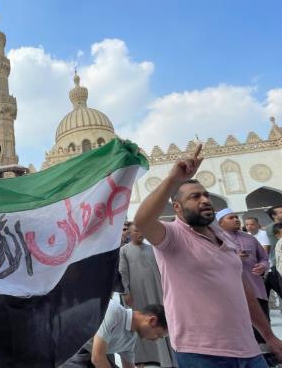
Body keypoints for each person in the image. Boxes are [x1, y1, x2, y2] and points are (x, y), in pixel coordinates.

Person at [134, 144, 282, 367]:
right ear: (177, 207)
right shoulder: (172, 236)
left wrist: (268, 335)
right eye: (194, 196)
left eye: (205, 195)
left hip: (247, 349)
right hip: (201, 352)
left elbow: (243, 291)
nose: (204, 199)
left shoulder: (225, 238)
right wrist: (173, 180)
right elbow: (143, 221)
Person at [119, 223, 176, 367]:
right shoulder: (124, 251)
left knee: (160, 320)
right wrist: (125, 291)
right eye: (136, 231)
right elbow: (122, 272)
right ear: (130, 233)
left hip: (157, 290)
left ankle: (166, 358)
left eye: (141, 230)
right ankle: (142, 359)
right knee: (144, 323)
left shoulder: (152, 249)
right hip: (137, 294)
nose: (139, 233)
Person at [217, 208, 270, 345]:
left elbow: (264, 258)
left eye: (236, 217)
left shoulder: (249, 238)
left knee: (263, 322)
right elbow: (214, 264)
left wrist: (262, 267)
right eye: (231, 218)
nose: (236, 219)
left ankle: (270, 355)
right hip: (234, 292)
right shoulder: (216, 240)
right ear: (220, 223)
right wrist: (235, 259)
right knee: (245, 326)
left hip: (256, 289)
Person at [61, 301, 168, 368]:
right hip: (72, 350)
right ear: (152, 321)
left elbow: (128, 366)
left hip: (91, 356)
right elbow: (97, 358)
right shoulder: (114, 311)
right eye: (158, 335)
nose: (155, 340)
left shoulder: (131, 339)